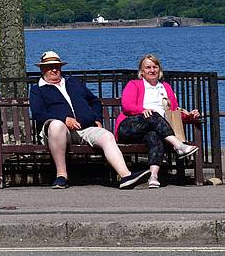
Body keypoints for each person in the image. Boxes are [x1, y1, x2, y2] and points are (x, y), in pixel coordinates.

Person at [28, 50, 149, 189]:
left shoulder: (73, 82)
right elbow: (38, 113)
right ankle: (61, 176)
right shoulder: (37, 89)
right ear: (42, 69)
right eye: (50, 67)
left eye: (57, 66)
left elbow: (94, 101)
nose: (54, 69)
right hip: (58, 132)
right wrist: (64, 119)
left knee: (106, 136)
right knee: (56, 126)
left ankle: (126, 176)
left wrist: (97, 118)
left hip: (85, 128)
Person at [114, 53, 200, 188]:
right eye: (148, 67)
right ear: (142, 71)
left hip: (156, 128)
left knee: (154, 135)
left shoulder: (166, 87)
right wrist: (142, 110)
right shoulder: (134, 84)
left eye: (155, 67)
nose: (152, 70)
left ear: (159, 69)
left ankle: (153, 176)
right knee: (153, 115)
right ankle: (179, 146)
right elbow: (127, 105)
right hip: (131, 126)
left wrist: (188, 116)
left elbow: (173, 112)